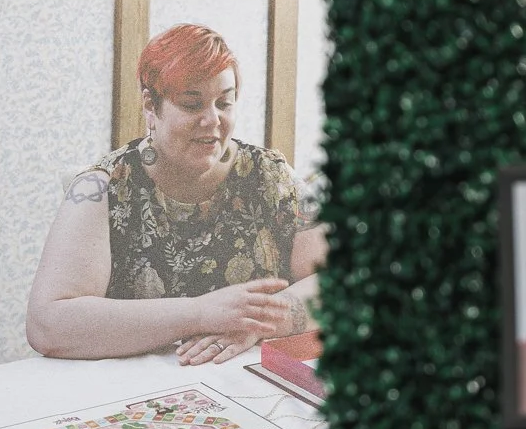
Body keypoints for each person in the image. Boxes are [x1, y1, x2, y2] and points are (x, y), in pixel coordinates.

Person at [24, 23, 326, 365]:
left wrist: (255, 323)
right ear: (151, 106)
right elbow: (48, 324)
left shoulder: (271, 177)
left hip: (237, 379)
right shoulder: (101, 188)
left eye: (224, 103)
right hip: (132, 387)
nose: (213, 120)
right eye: (192, 104)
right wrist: (200, 313)